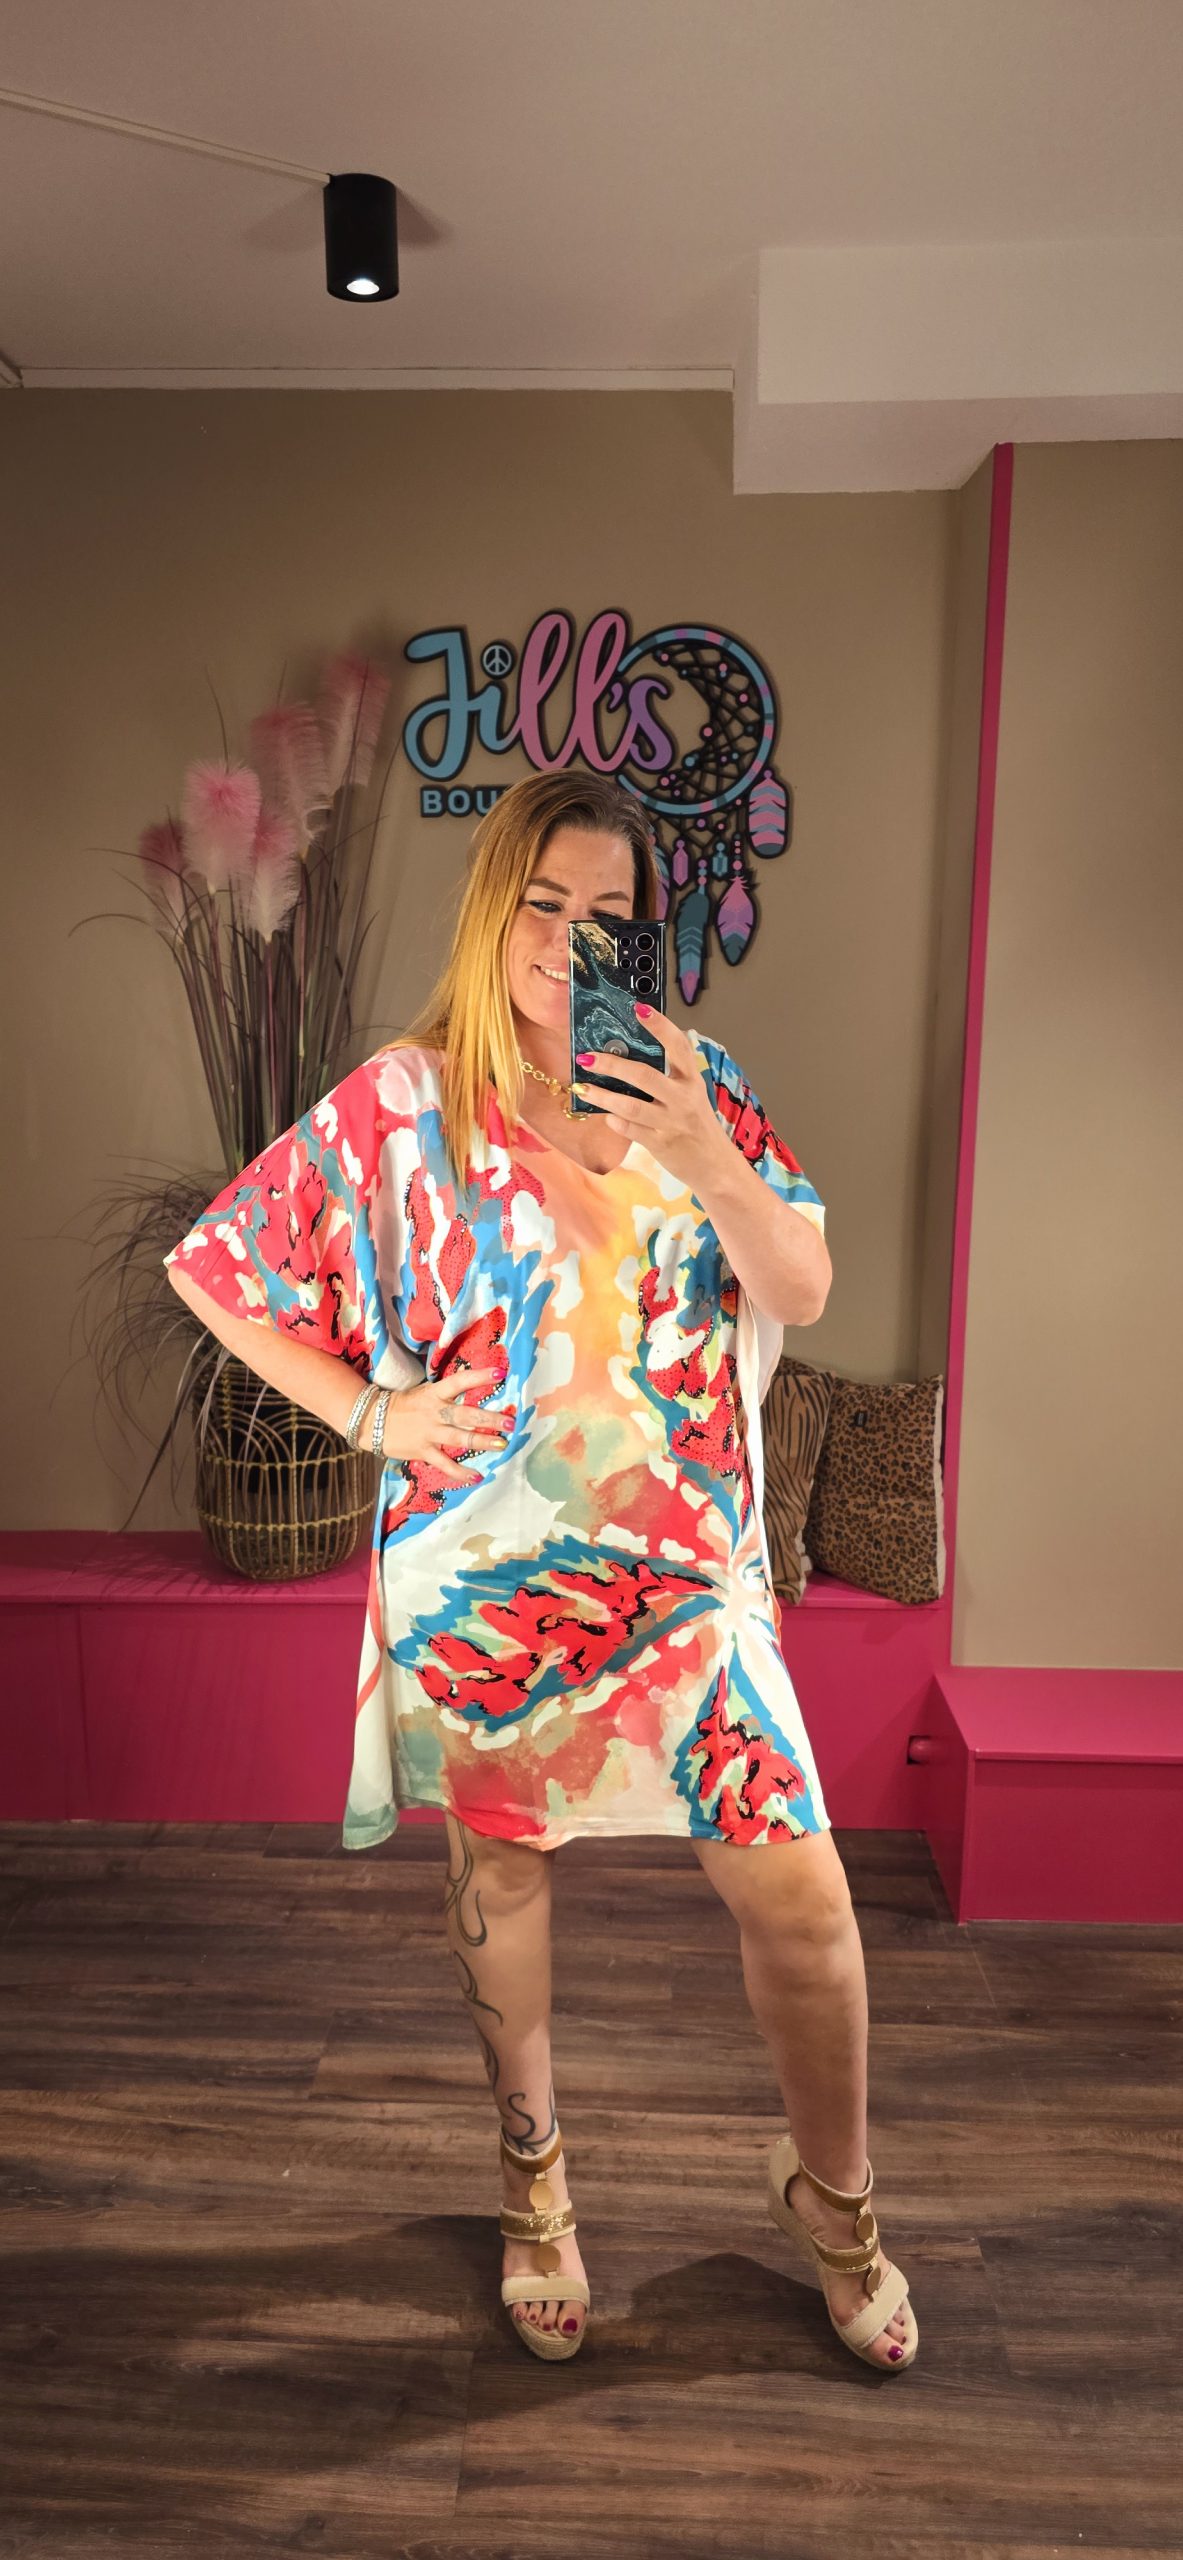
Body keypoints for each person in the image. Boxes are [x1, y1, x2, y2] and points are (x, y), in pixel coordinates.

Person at [164, 769, 918, 2373]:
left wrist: (704, 1148)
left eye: (610, 914)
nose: (573, 940)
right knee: (502, 1882)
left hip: (689, 1571)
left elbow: (802, 1284)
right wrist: (372, 1414)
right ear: (495, 908)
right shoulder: (406, 1101)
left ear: (651, 934)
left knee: (803, 1902)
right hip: (488, 1571)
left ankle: (836, 2198)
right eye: (546, 904)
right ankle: (534, 2182)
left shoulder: (696, 1082)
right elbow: (216, 1267)